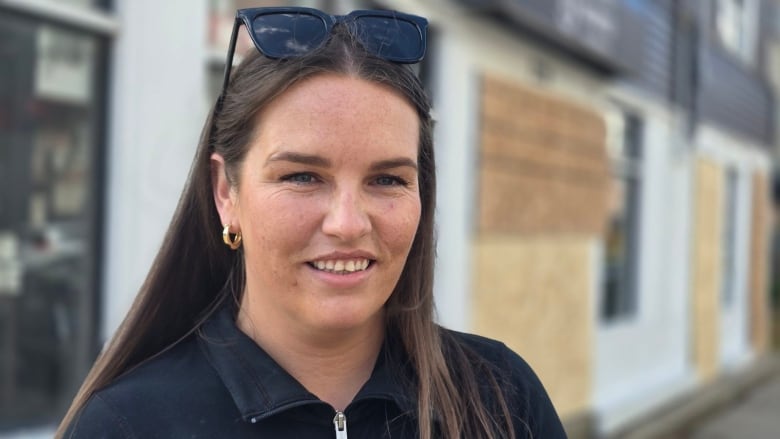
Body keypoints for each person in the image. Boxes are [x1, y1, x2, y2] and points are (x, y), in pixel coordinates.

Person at [58, 7, 567, 439]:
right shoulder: (128, 425)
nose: (347, 224)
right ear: (225, 193)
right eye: (302, 176)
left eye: (387, 180)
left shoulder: (502, 399)